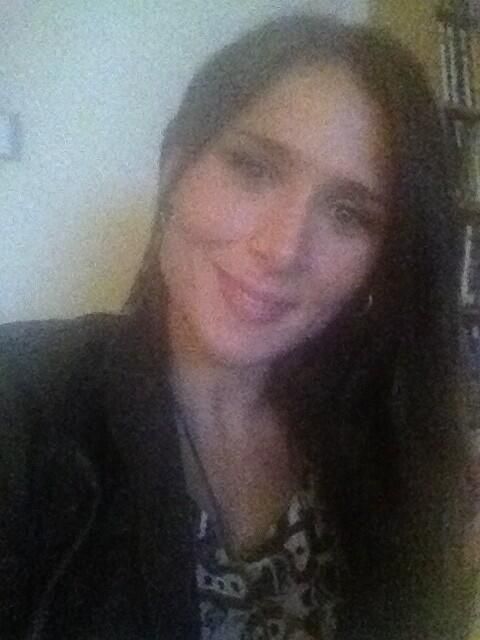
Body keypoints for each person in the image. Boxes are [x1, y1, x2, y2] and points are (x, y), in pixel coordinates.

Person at [0, 12, 476, 640]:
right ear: (175, 167)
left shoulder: (388, 442)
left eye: (348, 213)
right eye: (254, 169)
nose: (283, 249)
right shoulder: (22, 407)